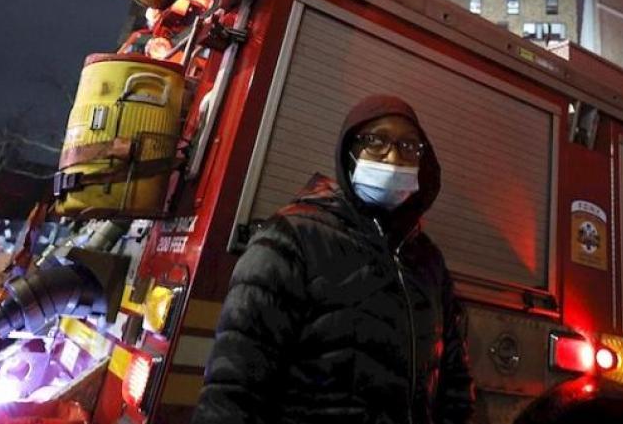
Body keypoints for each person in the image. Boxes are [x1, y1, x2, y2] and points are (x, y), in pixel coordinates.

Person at [192, 95, 475, 424]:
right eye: (376, 141)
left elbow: (454, 385)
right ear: (349, 153)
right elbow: (234, 387)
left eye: (409, 146)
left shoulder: (428, 262)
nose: (394, 157)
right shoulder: (291, 238)